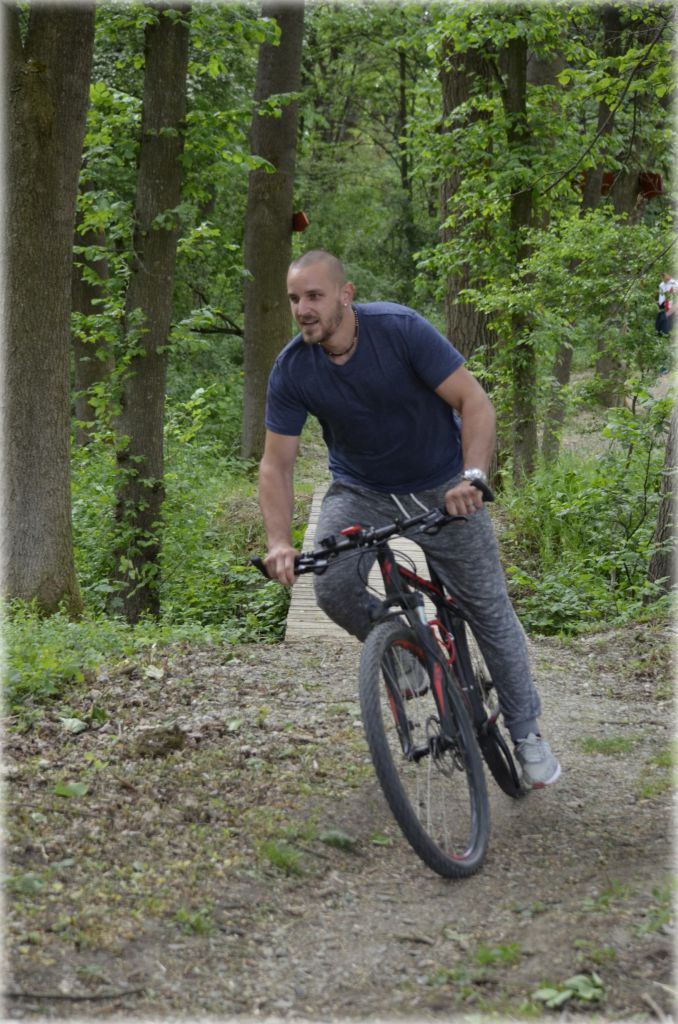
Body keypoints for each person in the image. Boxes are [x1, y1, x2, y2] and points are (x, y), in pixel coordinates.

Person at [258, 250, 560, 789]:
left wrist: (472, 477)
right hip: (360, 490)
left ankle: (526, 732)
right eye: (294, 299)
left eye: (314, 296)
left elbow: (475, 402)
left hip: (442, 485)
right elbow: (275, 464)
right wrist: (279, 541)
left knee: (487, 608)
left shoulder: (400, 330)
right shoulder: (293, 368)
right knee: (330, 586)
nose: (302, 309)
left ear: (345, 295)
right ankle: (407, 658)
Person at [655, 272, 676, 337]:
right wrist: (659, 303)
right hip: (662, 309)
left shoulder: (675, 284)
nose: (662, 277)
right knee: (658, 330)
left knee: (667, 332)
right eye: (662, 276)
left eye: (664, 275)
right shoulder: (661, 285)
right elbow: (662, 297)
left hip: (671, 310)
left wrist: (668, 313)